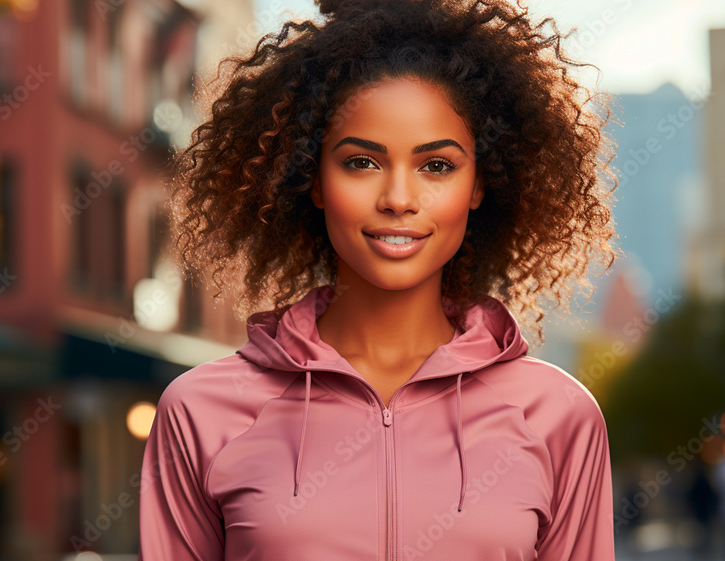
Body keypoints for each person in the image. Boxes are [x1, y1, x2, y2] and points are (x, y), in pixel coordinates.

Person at [137, 0, 620, 559]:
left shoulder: (557, 414)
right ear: (313, 181)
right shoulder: (202, 411)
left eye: (436, 165)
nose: (397, 199)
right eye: (361, 162)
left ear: (480, 185)